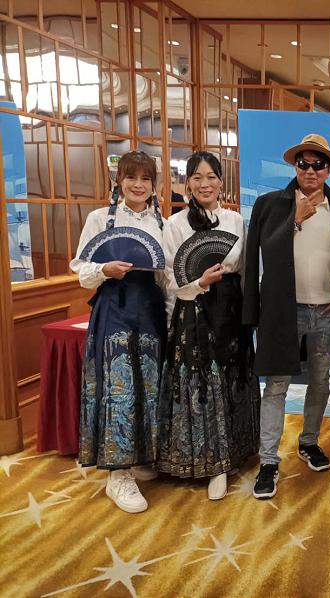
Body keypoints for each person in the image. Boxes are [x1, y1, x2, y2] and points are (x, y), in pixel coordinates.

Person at [243, 133, 330, 500]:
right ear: (294, 166)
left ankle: (308, 442)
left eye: (318, 164)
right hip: (283, 311)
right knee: (276, 385)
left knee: (320, 381)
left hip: (326, 312)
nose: (310, 170)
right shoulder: (270, 205)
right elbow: (259, 255)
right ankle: (268, 461)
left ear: (329, 170)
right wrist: (295, 219)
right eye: (303, 163)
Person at [156, 151, 260, 500]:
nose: (205, 184)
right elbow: (169, 276)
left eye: (211, 177)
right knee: (203, 383)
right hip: (195, 309)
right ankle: (211, 462)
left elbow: (244, 270)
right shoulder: (175, 224)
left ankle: (235, 452)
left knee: (232, 379)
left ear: (221, 181)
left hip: (230, 308)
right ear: (188, 183)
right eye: (197, 177)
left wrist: (249, 313)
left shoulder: (235, 221)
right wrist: (198, 283)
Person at [69, 150, 167, 513]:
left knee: (150, 385)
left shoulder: (162, 224)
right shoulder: (99, 219)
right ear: (118, 181)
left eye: (146, 178)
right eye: (131, 177)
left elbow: (166, 274)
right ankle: (118, 473)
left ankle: (141, 456)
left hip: (151, 307)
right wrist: (103, 269)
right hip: (114, 306)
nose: (138, 185)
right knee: (118, 386)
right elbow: (80, 269)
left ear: (154, 184)